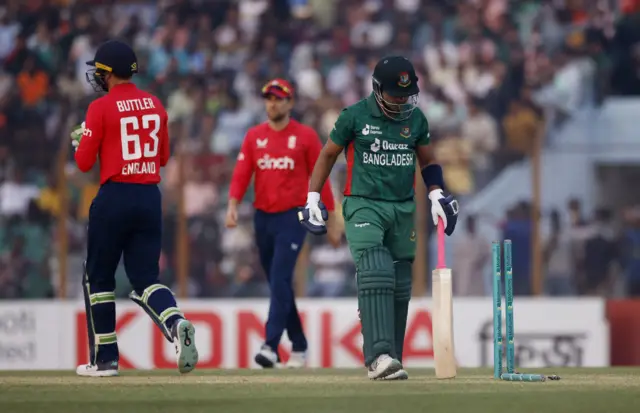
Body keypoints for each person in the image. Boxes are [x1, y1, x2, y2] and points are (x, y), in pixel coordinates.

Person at [300, 56, 459, 380]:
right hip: (363, 204)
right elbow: (328, 154)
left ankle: (392, 358)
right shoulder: (354, 116)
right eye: (394, 95)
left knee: (400, 282)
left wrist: (436, 193)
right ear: (377, 89)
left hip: (402, 208)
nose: (401, 101)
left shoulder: (416, 120)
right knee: (375, 266)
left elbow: (427, 161)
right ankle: (377, 357)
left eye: (406, 95)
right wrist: (313, 198)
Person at [71, 40, 198, 377]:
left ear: (108, 73)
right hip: (148, 197)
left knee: (99, 277)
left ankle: (106, 360)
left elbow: (84, 163)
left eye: (99, 71)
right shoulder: (155, 104)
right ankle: (176, 322)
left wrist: (83, 138)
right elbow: (163, 158)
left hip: (115, 196)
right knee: (145, 279)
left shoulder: (100, 108)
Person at [226, 78, 340, 368]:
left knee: (279, 278)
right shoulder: (254, 136)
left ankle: (270, 345)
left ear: (290, 102)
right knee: (280, 284)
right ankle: (299, 345)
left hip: (294, 216)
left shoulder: (305, 136)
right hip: (263, 218)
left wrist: (332, 217)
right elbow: (242, 172)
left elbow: (321, 176)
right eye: (268, 98)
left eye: (278, 98)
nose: (272, 103)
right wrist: (232, 204)